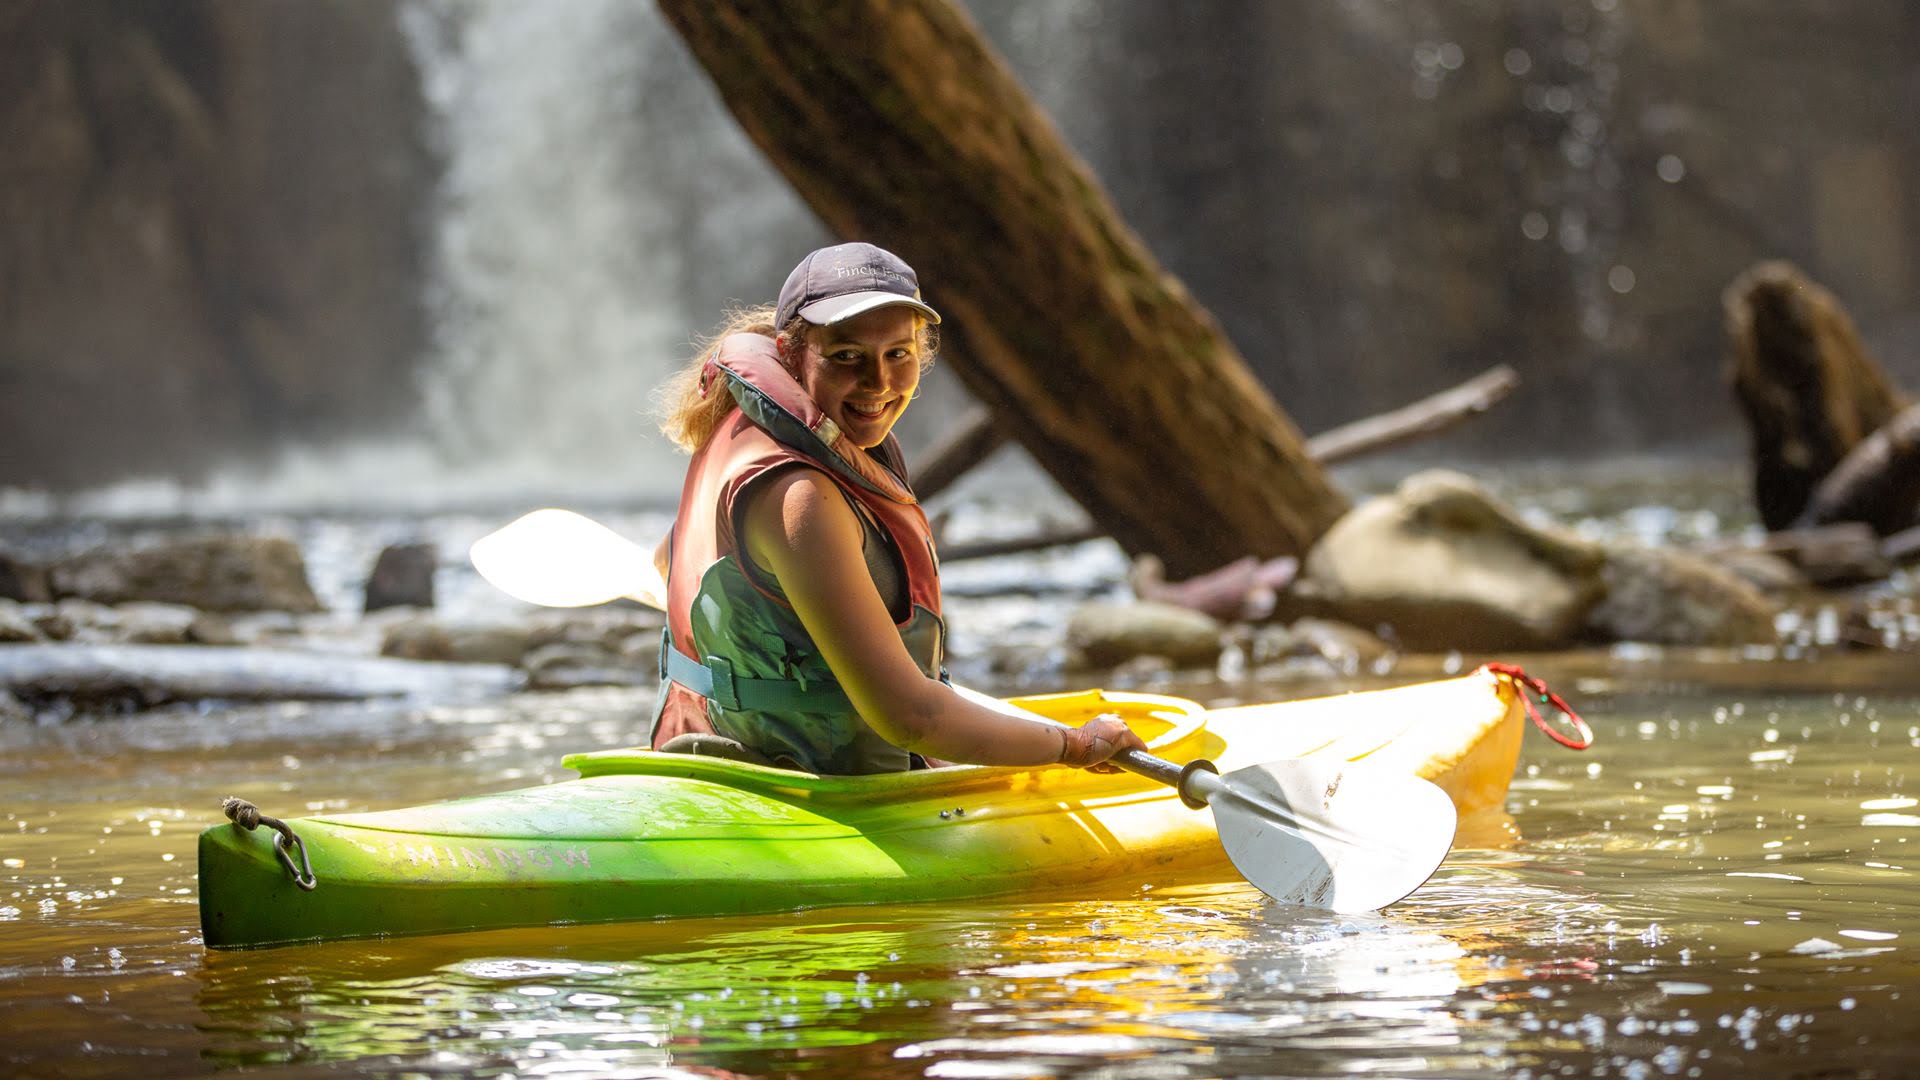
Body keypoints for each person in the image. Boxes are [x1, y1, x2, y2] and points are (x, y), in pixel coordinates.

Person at [649, 241, 1147, 775]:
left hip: (712, 751)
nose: (878, 383)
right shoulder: (800, 495)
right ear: (789, 352)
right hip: (814, 785)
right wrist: (1074, 746)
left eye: (898, 354)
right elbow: (911, 715)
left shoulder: (740, 428)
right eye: (846, 356)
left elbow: (667, 561)